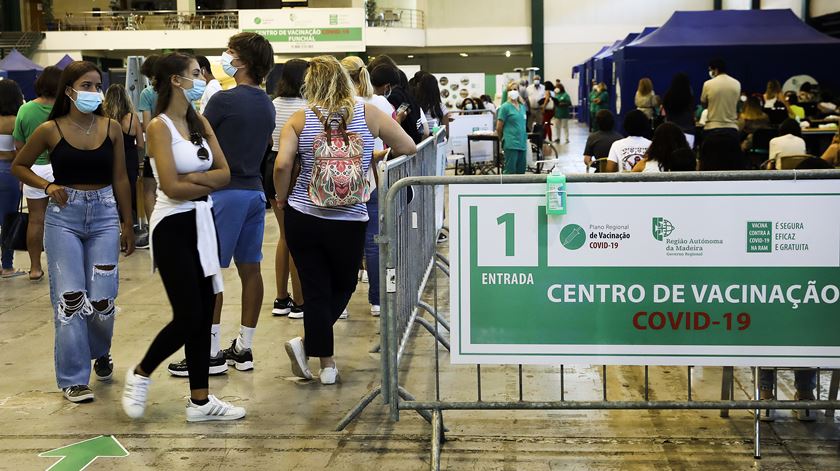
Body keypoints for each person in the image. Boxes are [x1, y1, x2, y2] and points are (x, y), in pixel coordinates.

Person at [274, 55, 416, 385]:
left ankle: (326, 363)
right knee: (345, 284)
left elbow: (282, 166)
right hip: (349, 218)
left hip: (304, 215)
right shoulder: (368, 114)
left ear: (312, 84)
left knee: (315, 288)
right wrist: (371, 155)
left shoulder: (299, 119)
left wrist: (282, 198)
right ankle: (316, 353)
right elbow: (408, 146)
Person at [121, 52, 244, 422]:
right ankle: (141, 373)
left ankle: (201, 402)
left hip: (202, 220)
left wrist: (194, 181)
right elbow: (171, 188)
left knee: (206, 310)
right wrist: (195, 183)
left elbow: (226, 173)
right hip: (172, 224)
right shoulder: (159, 127)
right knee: (189, 312)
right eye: (194, 73)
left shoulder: (198, 121)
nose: (201, 78)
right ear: (175, 80)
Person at [11, 60, 135, 403]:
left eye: (97, 85)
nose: (94, 92)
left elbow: (122, 177)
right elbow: (19, 164)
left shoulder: (111, 128)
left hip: (106, 215)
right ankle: (73, 378)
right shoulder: (50, 130)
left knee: (102, 298)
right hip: (63, 218)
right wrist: (46, 185)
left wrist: (128, 223)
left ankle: (100, 350)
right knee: (70, 300)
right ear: (70, 91)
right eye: (87, 85)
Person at [166, 32, 275, 378]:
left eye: (230, 52)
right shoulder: (266, 102)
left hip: (223, 193)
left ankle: (208, 351)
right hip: (254, 193)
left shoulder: (224, 101)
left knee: (209, 273)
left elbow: (197, 144)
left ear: (240, 61)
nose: (225, 57)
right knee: (251, 269)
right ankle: (244, 346)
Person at [342, 55, 395, 318]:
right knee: (373, 242)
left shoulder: (337, 104)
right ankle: (376, 300)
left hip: (338, 180)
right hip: (373, 179)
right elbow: (398, 140)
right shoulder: (382, 103)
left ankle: (339, 305)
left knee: (341, 241)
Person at [268, 59, 309, 320]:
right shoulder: (306, 108)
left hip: (271, 166)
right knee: (297, 239)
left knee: (284, 236)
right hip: (296, 167)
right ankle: (300, 302)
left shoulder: (273, 105)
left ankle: (281, 298)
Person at [13, 65, 61, 281]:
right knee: (65, 221)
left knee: (36, 219)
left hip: (34, 169)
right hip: (62, 168)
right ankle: (61, 264)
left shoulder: (26, 109)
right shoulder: (65, 108)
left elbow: (19, 145)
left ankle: (35, 268)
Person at [103, 84, 144, 231]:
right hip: (129, 159)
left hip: (111, 159)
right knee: (129, 193)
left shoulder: (104, 118)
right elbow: (140, 144)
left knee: (111, 193)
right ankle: (128, 227)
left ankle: (113, 228)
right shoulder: (133, 118)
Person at [369, 55, 426, 144]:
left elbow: (391, 127)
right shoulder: (406, 94)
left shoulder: (391, 98)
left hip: (402, 145)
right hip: (413, 142)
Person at [0, 79, 24, 278]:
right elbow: (19, 151)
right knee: (9, 219)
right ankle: (7, 265)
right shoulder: (16, 120)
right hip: (9, 173)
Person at [137, 54, 161, 248]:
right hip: (175, 150)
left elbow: (146, 125)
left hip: (153, 150)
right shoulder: (177, 90)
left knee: (149, 190)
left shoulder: (148, 93)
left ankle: (155, 232)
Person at [701, 58, 741, 141]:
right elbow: (736, 103)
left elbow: (704, 104)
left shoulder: (708, 84)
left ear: (715, 69)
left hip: (712, 128)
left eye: (710, 70)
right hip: (732, 128)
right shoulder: (737, 83)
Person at [496, 84, 528, 175]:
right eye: (511, 89)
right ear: (508, 92)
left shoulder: (522, 107)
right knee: (510, 171)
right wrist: (503, 139)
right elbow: (499, 127)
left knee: (521, 171)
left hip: (522, 143)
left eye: (515, 89)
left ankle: (520, 189)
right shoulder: (505, 107)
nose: (513, 91)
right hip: (511, 143)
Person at [662, 73, 696, 148]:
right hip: (688, 131)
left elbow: (665, 113)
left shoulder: (668, 96)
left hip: (671, 131)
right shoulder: (689, 96)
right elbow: (692, 112)